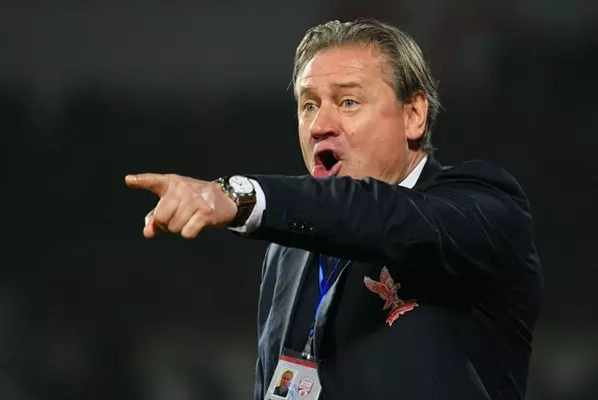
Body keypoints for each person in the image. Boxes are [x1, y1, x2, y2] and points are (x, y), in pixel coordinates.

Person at [125, 18, 544, 400]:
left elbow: (376, 214)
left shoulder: (480, 209)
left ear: (414, 115)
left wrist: (242, 196)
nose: (319, 126)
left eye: (348, 102)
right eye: (309, 105)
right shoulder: (288, 250)